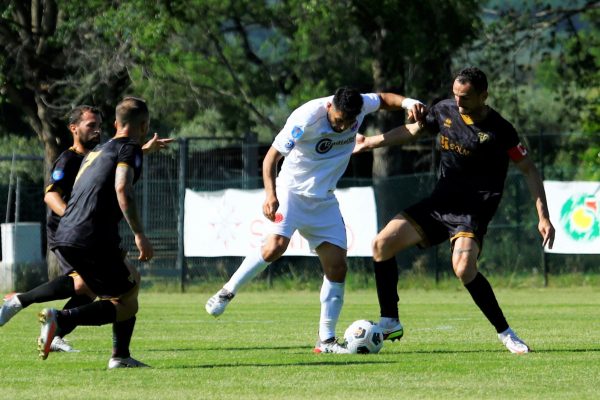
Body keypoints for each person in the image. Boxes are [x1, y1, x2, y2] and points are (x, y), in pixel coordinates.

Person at [205, 87, 425, 354]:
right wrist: (270, 195)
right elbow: (270, 158)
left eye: (348, 122)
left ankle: (326, 341)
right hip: (291, 193)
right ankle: (227, 292)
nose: (343, 126)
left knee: (337, 267)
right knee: (275, 245)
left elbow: (384, 99)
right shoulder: (307, 117)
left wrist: (408, 102)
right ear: (330, 106)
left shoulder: (359, 106)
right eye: (339, 119)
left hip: (324, 201)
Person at [353, 67, 555, 354]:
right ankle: (390, 321)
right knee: (381, 245)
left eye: (466, 97)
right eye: (456, 95)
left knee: (463, 269)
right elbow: (413, 131)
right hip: (439, 204)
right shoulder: (444, 110)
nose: (459, 102)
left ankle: (506, 333)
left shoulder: (501, 130)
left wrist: (543, 216)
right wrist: (370, 142)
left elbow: (529, 169)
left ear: (484, 95)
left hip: (472, 211)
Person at [0, 106, 171, 355]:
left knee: (89, 287)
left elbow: (114, 162)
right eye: (91, 125)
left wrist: (144, 150)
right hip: (77, 231)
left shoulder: (97, 153)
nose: (96, 129)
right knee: (100, 289)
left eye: (99, 124)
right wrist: (74, 216)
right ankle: (51, 318)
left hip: (81, 232)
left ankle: (44, 319)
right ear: (74, 128)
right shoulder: (68, 159)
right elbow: (50, 195)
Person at [36, 97, 154, 369]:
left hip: (67, 234)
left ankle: (121, 356)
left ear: (115, 124)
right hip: (91, 237)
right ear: (144, 125)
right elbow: (122, 188)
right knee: (126, 301)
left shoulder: (98, 151)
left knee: (129, 280)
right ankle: (63, 320)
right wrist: (139, 234)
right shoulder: (130, 148)